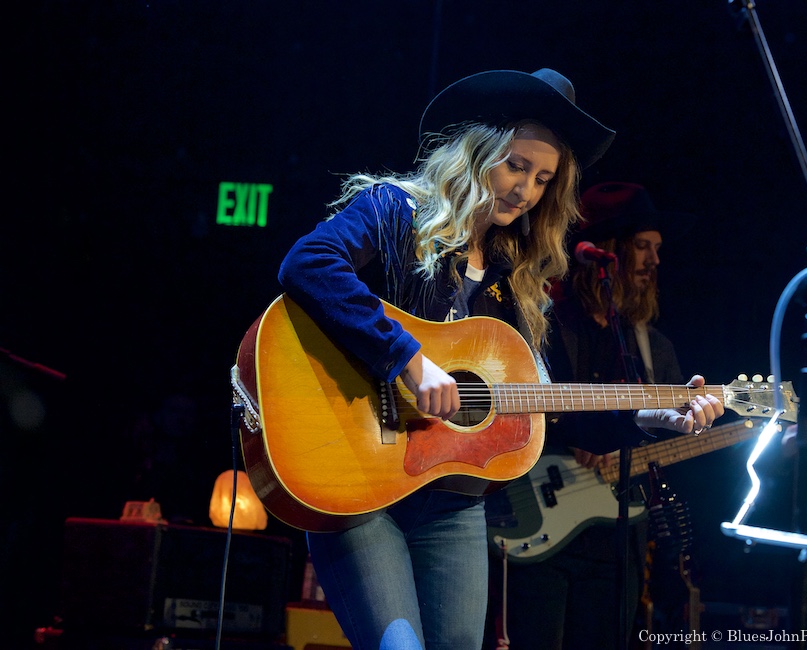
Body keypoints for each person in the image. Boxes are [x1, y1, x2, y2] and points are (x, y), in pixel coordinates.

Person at [277, 70, 722, 650]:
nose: (525, 191)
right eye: (516, 166)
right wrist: (407, 358)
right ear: (476, 150)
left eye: (542, 179)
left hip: (452, 504)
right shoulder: (395, 210)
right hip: (357, 482)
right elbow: (308, 263)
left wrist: (649, 416)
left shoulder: (517, 276)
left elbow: (541, 405)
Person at [487, 182, 712, 649]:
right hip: (537, 523)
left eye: (657, 249)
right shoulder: (546, 324)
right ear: (610, 252)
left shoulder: (654, 350)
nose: (654, 261)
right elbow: (508, 408)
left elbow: (663, 434)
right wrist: (574, 435)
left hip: (618, 540)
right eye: (643, 247)